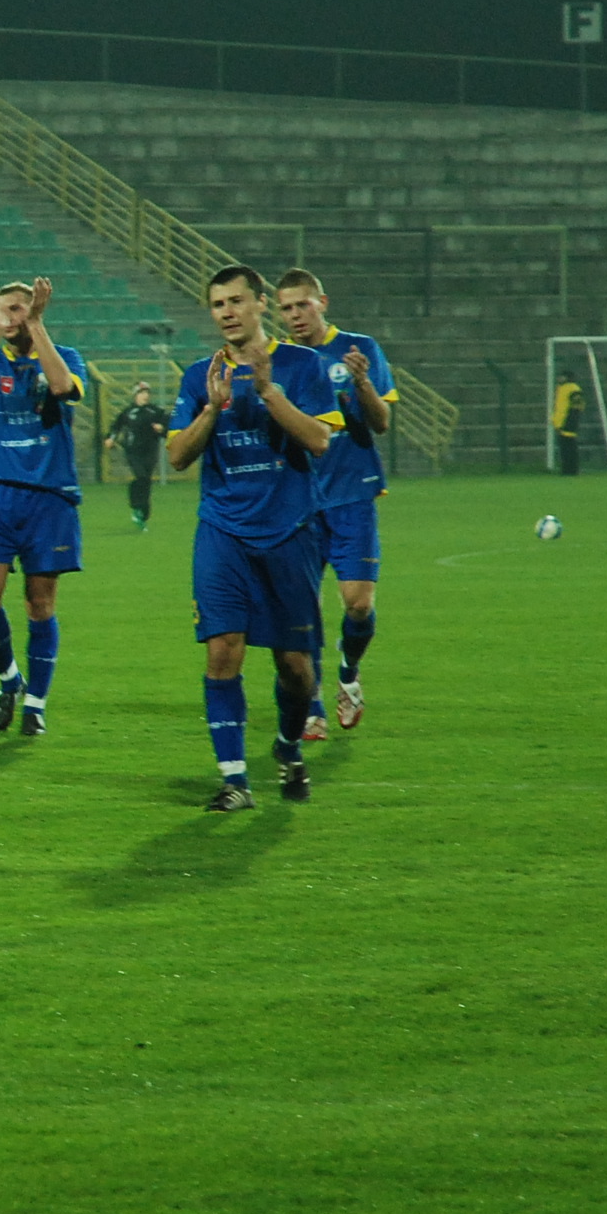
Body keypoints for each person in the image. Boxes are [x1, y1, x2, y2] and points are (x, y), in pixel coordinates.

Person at [168, 265, 345, 810]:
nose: (227, 312)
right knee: (223, 650)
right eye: (218, 304)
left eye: (236, 301)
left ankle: (288, 746)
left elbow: (319, 439)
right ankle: (234, 779)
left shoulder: (303, 364)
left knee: (296, 669)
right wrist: (211, 409)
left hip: (290, 531)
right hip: (223, 531)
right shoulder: (199, 374)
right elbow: (177, 456)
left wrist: (268, 391)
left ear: (260, 303)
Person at [0, 280, 89, 737]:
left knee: (39, 603)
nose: (10, 316)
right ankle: (11, 681)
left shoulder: (65, 356)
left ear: (35, 310)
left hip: (47, 497)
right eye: (3, 309)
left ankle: (36, 704)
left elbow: (62, 387)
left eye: (17, 309)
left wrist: (37, 324)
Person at [275, 270, 395, 739]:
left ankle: (349, 671)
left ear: (321, 302)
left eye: (302, 305)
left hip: (351, 493)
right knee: (301, 610)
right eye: (286, 309)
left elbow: (381, 422)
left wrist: (362, 383)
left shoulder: (358, 349)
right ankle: (313, 706)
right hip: (299, 498)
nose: (295, 315)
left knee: (358, 604)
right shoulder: (280, 361)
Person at [105, 385, 167, 529]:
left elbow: (167, 423)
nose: (145, 395)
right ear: (135, 395)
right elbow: (116, 426)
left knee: (146, 480)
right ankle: (136, 505)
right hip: (133, 451)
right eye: (141, 393)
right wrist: (110, 438)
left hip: (150, 450)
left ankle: (143, 513)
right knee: (141, 476)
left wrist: (162, 428)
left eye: (147, 392)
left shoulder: (155, 411)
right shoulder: (128, 412)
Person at [553, 373, 584, 476]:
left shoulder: (573, 388)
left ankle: (573, 469)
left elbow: (577, 404)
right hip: (562, 421)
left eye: (562, 376)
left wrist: (572, 419)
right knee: (564, 447)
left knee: (570, 446)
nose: (559, 378)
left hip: (569, 419)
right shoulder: (560, 388)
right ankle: (566, 469)